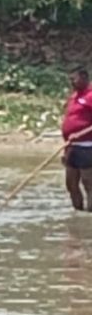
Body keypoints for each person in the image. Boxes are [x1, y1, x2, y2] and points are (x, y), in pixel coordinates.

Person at [61, 67, 92, 210]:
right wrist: (66, 149)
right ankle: (78, 212)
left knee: (88, 182)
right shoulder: (73, 97)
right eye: (70, 79)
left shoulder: (90, 95)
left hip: (87, 146)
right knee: (71, 184)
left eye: (74, 79)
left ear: (84, 78)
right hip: (72, 146)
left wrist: (80, 133)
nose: (72, 82)